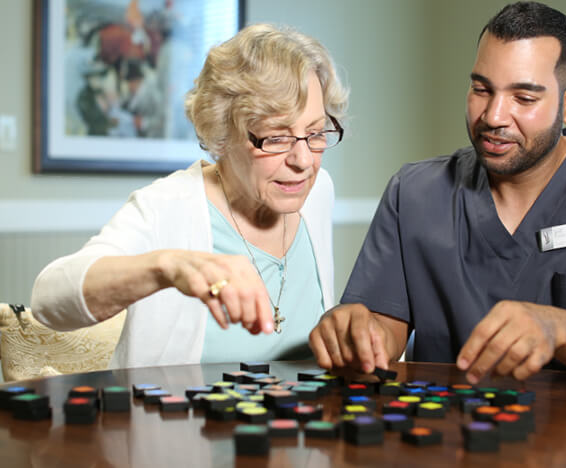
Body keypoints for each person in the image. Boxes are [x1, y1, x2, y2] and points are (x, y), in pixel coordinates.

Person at [309, 1, 566, 383]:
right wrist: (354, 333)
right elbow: (384, 333)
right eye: (481, 89)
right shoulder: (414, 192)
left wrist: (556, 329)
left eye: (523, 98)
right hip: (443, 431)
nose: (494, 116)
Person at [32, 23, 348, 368]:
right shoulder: (167, 206)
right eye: (276, 137)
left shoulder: (317, 194)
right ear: (223, 133)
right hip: (182, 421)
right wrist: (167, 267)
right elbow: (49, 301)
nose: (303, 161)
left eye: (315, 133)